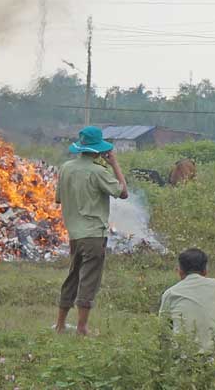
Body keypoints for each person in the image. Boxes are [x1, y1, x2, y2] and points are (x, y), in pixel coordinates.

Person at [54, 125, 128, 336]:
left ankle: (60, 324)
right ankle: (82, 327)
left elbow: (58, 198)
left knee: (73, 276)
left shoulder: (66, 168)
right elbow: (123, 193)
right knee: (89, 279)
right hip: (94, 234)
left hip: (74, 234)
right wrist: (114, 163)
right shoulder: (99, 171)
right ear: (99, 150)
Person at [159, 248, 215, 375]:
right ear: (205, 270)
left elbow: (163, 331)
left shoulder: (170, 293)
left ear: (180, 271)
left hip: (183, 360)